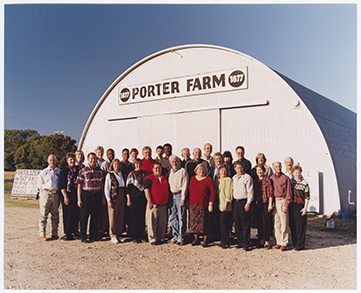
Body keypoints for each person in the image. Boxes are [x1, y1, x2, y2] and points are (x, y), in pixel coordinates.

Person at [76, 152, 104, 243]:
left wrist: (103, 197)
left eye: (94, 159)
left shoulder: (99, 171)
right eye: (91, 158)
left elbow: (102, 185)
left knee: (95, 217)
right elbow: (79, 185)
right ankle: (83, 236)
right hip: (86, 194)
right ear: (88, 159)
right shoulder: (83, 170)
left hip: (96, 194)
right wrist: (79, 199)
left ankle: (93, 235)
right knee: (84, 217)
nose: (93, 160)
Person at [188, 164, 216, 247]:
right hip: (193, 205)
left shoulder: (208, 179)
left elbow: (213, 191)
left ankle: (205, 241)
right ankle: (196, 239)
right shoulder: (192, 179)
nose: (201, 171)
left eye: (203, 169)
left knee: (205, 223)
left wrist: (211, 203)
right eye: (199, 169)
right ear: (196, 170)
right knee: (194, 223)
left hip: (204, 204)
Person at [143, 162, 169, 245]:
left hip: (163, 205)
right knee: (152, 222)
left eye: (159, 168)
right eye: (156, 168)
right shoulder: (149, 178)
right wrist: (150, 201)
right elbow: (146, 189)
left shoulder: (164, 178)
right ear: (153, 169)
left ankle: (160, 237)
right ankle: (152, 238)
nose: (158, 169)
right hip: (153, 204)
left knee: (162, 223)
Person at [37, 154, 61, 241]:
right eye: (50, 160)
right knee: (43, 215)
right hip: (46, 193)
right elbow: (39, 185)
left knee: (55, 215)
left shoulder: (59, 171)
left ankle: (54, 233)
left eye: (54, 160)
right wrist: (42, 194)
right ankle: (42, 234)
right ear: (47, 161)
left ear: (56, 161)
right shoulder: (44, 172)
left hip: (56, 194)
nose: (52, 161)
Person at [270, 161, 292, 251]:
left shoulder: (286, 178)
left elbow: (289, 193)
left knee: (284, 223)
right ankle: (278, 241)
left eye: (279, 166)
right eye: (276, 166)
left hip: (282, 201)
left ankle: (284, 242)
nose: (278, 168)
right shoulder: (271, 178)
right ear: (273, 168)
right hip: (275, 201)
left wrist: (286, 204)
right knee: (277, 223)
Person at [167, 155, 189, 246]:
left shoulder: (183, 171)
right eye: (172, 162)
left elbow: (185, 186)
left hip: (180, 195)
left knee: (181, 217)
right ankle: (175, 236)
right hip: (172, 196)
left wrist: (183, 198)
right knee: (172, 217)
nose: (174, 163)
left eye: (176, 161)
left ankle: (181, 237)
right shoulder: (170, 172)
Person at [232, 161, 254, 251]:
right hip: (236, 202)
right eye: (238, 168)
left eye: (241, 168)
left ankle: (246, 243)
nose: (240, 169)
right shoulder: (234, 178)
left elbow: (250, 191)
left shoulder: (247, 177)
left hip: (244, 201)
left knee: (245, 224)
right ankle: (240, 242)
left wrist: (248, 203)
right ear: (235, 169)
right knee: (237, 224)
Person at [59, 152, 80, 240]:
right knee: (68, 214)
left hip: (75, 194)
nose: (72, 161)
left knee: (76, 213)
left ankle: (74, 230)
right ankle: (67, 232)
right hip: (67, 194)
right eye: (70, 159)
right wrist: (65, 197)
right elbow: (62, 185)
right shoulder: (64, 171)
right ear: (67, 161)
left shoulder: (77, 170)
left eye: (73, 159)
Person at [104, 159, 126, 244]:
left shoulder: (122, 174)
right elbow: (106, 189)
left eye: (118, 164)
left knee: (120, 216)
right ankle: (113, 234)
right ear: (112, 165)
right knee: (113, 216)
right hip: (114, 196)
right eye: (115, 164)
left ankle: (119, 234)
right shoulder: (110, 175)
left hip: (122, 194)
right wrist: (108, 200)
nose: (116, 166)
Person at [253, 164, 274, 249]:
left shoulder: (267, 180)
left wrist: (270, 204)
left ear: (264, 170)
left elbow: (270, 193)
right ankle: (260, 240)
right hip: (257, 203)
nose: (259, 172)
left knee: (266, 222)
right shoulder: (255, 181)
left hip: (265, 203)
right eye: (258, 170)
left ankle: (267, 241)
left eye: (260, 170)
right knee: (259, 222)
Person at [126, 159, 147, 243]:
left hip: (142, 199)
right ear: (134, 165)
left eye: (139, 164)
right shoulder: (131, 174)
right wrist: (128, 199)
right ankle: (134, 236)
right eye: (136, 164)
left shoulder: (143, 174)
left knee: (141, 218)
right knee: (134, 218)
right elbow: (128, 189)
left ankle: (141, 234)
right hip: (133, 198)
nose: (138, 165)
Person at [289, 165, 310, 250]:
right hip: (292, 206)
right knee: (293, 225)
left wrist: (305, 208)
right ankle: (295, 243)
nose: (297, 174)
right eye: (296, 173)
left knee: (300, 226)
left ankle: (300, 245)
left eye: (299, 173)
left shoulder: (305, 183)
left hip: (300, 206)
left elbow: (307, 197)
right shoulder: (291, 183)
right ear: (293, 173)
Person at [216, 165, 233, 249]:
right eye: (221, 170)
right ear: (219, 171)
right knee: (220, 224)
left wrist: (226, 203)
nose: (223, 172)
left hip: (225, 205)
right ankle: (222, 240)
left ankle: (226, 242)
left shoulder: (228, 180)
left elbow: (229, 192)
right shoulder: (217, 180)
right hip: (218, 204)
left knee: (224, 224)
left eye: (225, 170)